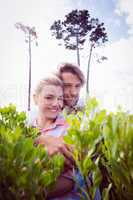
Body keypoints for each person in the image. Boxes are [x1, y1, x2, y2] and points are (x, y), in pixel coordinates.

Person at [31, 74, 80, 199]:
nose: (56, 103)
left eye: (60, 98)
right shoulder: (28, 129)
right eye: (49, 98)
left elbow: (70, 179)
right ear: (35, 98)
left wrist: (26, 192)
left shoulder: (69, 130)